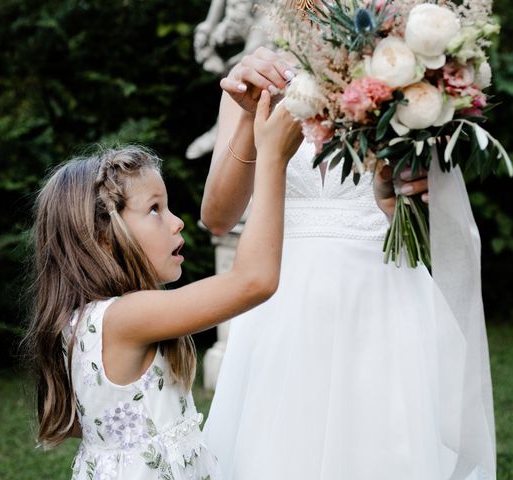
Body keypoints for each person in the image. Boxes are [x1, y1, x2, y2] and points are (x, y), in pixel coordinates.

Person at [201, 47, 495, 480]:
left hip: (385, 298)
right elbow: (218, 218)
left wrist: (393, 192)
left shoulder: (403, 74)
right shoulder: (257, 73)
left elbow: (428, 231)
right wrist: (250, 117)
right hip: (280, 304)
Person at [23, 91, 305, 479]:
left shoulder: (85, 321)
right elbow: (254, 280)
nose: (177, 222)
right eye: (155, 209)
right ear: (104, 236)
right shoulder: (127, 317)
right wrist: (272, 158)